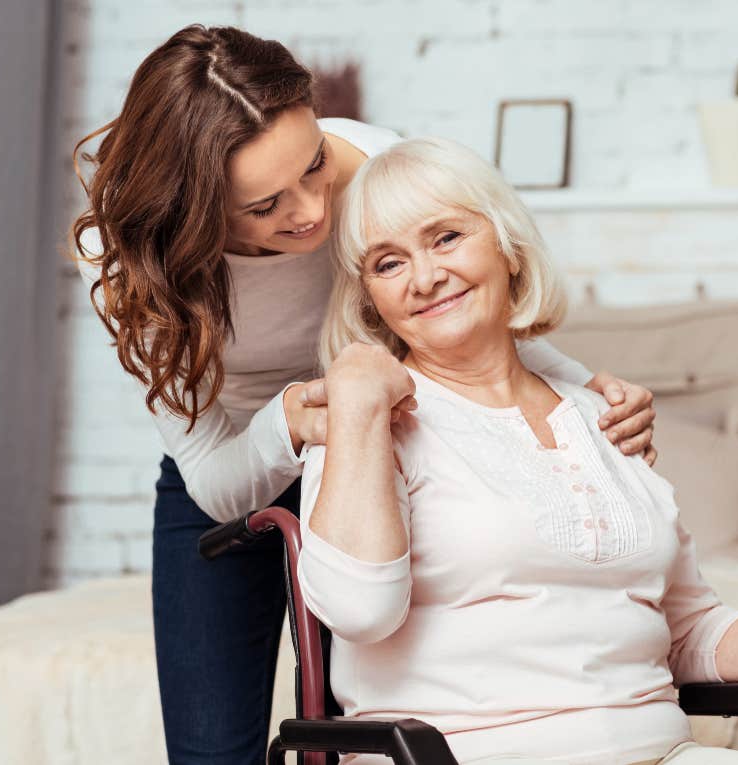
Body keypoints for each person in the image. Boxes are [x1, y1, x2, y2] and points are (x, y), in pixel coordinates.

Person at [69, 25, 659, 765]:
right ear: (193, 207)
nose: (312, 212)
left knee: (366, 721)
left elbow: (463, 313)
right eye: (264, 206)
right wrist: (285, 422)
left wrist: (583, 395)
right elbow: (218, 481)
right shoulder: (134, 261)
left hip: (376, 441)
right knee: (212, 751)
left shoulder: (379, 166)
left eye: (315, 165)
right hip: (230, 461)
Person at [297, 137, 738, 765]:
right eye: (388, 264)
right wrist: (357, 401)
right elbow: (358, 611)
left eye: (446, 238)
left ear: (508, 245)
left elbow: (684, 626)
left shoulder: (604, 418)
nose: (426, 277)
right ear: (369, 298)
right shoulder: (365, 425)